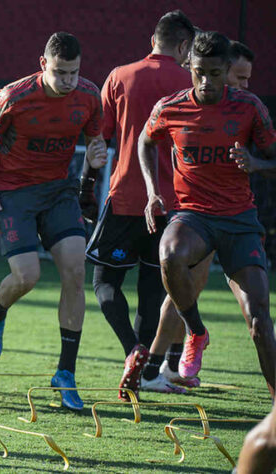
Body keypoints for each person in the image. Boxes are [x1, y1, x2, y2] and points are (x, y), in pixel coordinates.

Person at [139, 31, 276, 397]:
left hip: (239, 220)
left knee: (261, 323)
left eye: (215, 73)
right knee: (169, 253)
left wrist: (257, 163)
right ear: (189, 66)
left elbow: (274, 159)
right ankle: (196, 331)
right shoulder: (171, 107)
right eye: (199, 72)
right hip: (194, 217)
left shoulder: (249, 107)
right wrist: (153, 192)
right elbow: (146, 140)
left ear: (227, 70)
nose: (206, 81)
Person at [0, 32, 107, 411]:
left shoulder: (88, 96)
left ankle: (65, 373)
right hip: (14, 193)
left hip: (57, 192)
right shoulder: (13, 96)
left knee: (76, 270)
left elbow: (94, 144)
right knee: (27, 276)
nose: (68, 81)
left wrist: (91, 170)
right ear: (42, 64)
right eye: (60, 72)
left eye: (74, 73)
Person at [81, 10, 195, 400]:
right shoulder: (190, 83)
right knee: (152, 288)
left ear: (153, 39)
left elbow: (100, 141)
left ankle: (133, 349)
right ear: (183, 46)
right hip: (174, 205)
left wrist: (86, 186)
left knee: (104, 282)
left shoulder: (120, 76)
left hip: (126, 198)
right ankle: (146, 372)